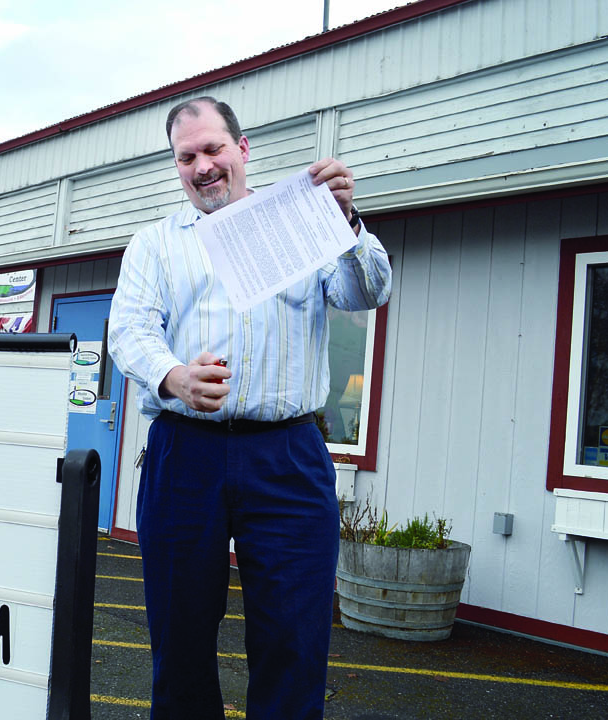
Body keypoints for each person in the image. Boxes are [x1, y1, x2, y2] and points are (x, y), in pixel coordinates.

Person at [107, 97, 391, 719]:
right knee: (179, 641)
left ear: (242, 149)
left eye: (213, 149)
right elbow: (128, 332)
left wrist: (346, 223)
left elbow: (366, 290)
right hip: (186, 454)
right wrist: (173, 376)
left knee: (294, 637)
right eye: (187, 157)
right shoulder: (155, 244)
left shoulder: (302, 221)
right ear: (176, 166)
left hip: (287, 454)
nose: (203, 166)